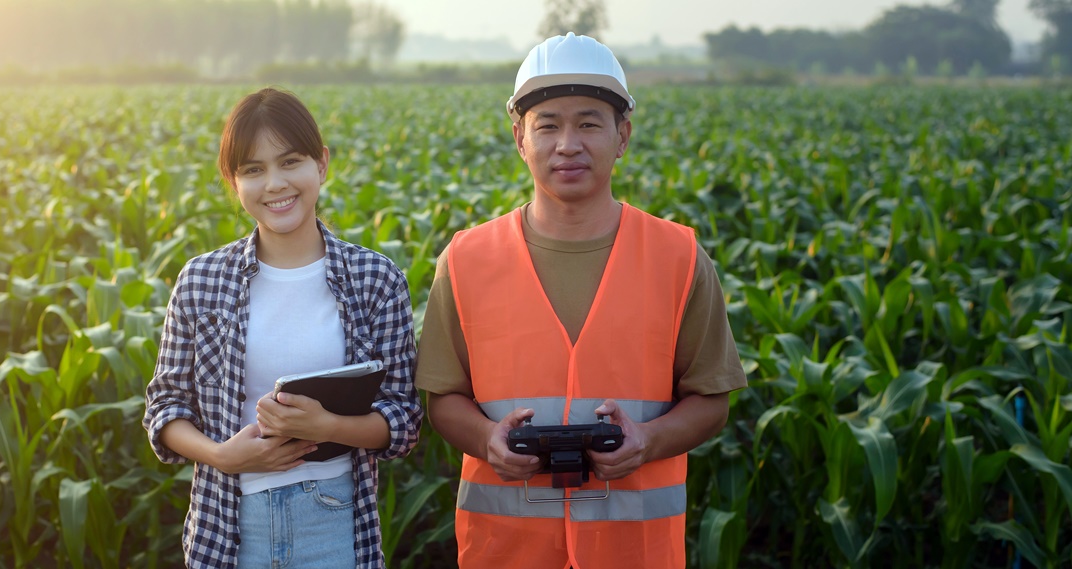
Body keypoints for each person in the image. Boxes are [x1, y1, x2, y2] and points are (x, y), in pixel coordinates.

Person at [415, 33, 747, 568]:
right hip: (504, 553)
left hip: (634, 555)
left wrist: (650, 439)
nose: (568, 143)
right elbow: (443, 399)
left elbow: (712, 400)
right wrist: (485, 437)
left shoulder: (679, 257)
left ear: (623, 136)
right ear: (520, 138)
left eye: (589, 123)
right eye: (548, 125)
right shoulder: (466, 258)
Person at [142, 87, 422, 569]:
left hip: (334, 520)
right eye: (253, 169)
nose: (274, 183)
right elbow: (164, 409)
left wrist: (328, 427)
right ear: (234, 182)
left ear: (322, 165)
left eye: (290, 161)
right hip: (226, 524)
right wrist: (222, 456)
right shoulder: (201, 279)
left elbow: (403, 421)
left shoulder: (376, 279)